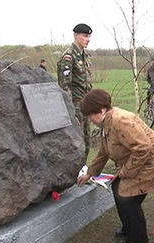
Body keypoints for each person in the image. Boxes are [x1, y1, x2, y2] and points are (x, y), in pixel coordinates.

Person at [77, 89, 154, 243]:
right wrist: (89, 173)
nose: (89, 119)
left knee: (127, 198)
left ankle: (138, 239)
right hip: (142, 159)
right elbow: (104, 151)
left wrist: (126, 171)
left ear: (101, 110)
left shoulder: (120, 121)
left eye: (90, 115)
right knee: (118, 188)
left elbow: (143, 148)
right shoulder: (107, 122)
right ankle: (129, 227)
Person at [57, 23, 93, 160]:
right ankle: (76, 170)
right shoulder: (69, 57)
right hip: (75, 103)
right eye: (85, 36)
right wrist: (71, 110)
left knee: (86, 139)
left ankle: (83, 167)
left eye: (89, 36)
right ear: (76, 36)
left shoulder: (85, 56)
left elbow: (88, 81)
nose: (88, 39)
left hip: (86, 103)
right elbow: (65, 85)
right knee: (77, 140)